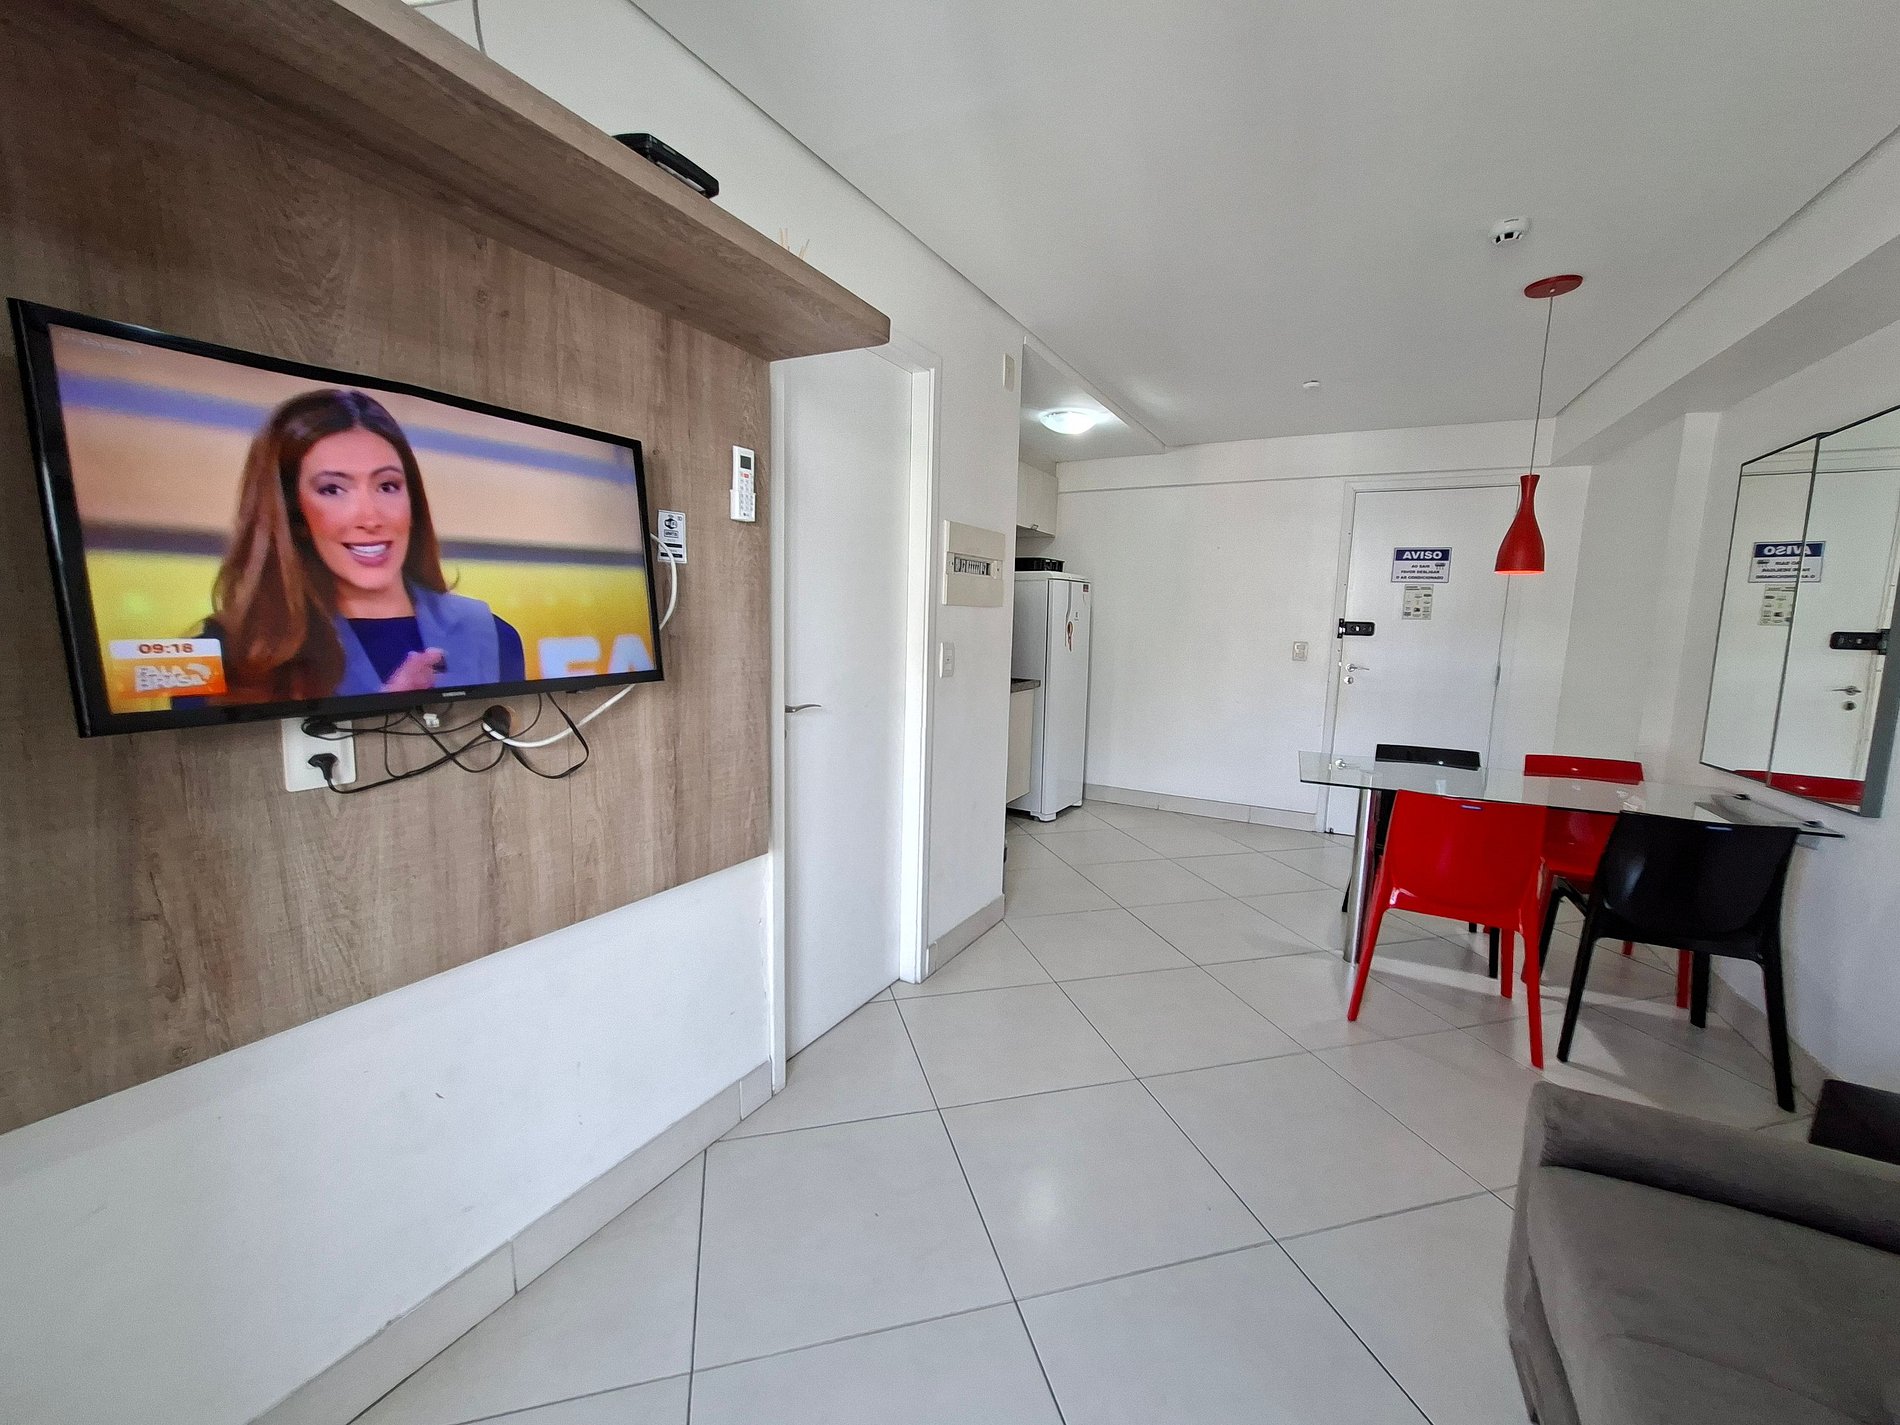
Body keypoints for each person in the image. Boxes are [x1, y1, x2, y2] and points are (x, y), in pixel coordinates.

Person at [199, 388, 523, 704]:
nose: (370, 518)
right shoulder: (220, 654)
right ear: (292, 515)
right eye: (332, 489)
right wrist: (379, 714)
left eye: (387, 486)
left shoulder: (492, 637)